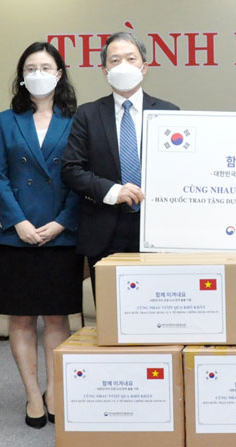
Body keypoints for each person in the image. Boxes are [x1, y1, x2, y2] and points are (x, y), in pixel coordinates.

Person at [0, 42, 82, 428]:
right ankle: (32, 395)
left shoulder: (78, 120)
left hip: (61, 233)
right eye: (31, 67)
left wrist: (62, 221)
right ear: (21, 75)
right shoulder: (5, 120)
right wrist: (19, 222)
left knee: (59, 319)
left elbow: (81, 177)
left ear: (59, 74)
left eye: (46, 66)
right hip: (18, 235)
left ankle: (55, 391)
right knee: (22, 319)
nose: (38, 73)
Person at [61, 32, 179, 292]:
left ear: (144, 67)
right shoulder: (88, 114)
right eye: (115, 60)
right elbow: (71, 169)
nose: (123, 65)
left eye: (130, 58)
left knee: (159, 311)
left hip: (156, 231)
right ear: (104, 70)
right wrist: (114, 191)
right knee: (111, 319)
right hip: (103, 231)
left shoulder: (168, 112)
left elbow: (181, 172)